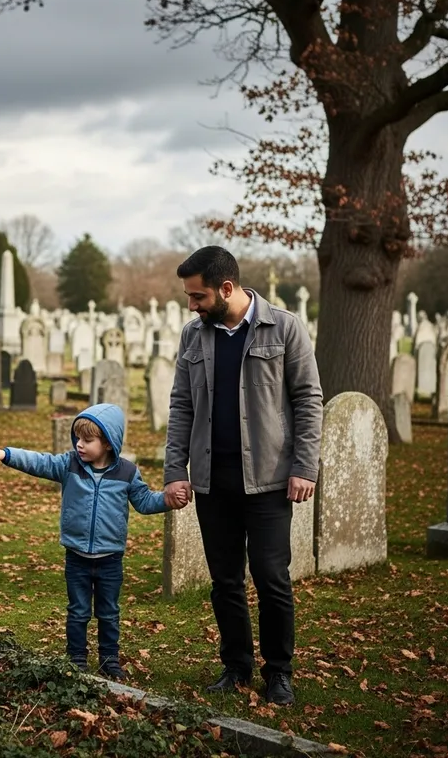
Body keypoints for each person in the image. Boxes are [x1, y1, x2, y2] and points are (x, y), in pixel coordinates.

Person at [164, 246, 323, 706]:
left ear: (226, 289)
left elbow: (308, 400)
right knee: (225, 581)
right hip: (213, 480)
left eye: (197, 297)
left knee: (272, 576)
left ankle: (279, 673)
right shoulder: (194, 336)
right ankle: (236, 666)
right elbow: (181, 405)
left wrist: (304, 466)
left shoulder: (286, 327)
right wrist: (176, 470)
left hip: (270, 480)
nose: (191, 306)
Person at [0, 403, 188, 680]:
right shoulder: (69, 465)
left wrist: (166, 500)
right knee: (78, 612)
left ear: (107, 443)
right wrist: (7, 454)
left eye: (87, 440)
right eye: (78, 438)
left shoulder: (127, 472)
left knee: (109, 613)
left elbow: (143, 501)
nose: (79, 444)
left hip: (110, 559)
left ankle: (109, 661)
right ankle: (76, 660)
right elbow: (39, 462)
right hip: (77, 557)